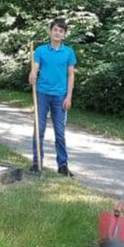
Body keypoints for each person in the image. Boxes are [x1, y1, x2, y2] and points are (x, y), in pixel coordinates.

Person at [28, 18, 77, 177]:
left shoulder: (68, 52)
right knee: (39, 130)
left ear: (64, 34)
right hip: (42, 94)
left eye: (61, 31)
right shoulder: (40, 51)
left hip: (60, 96)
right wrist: (32, 74)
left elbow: (70, 76)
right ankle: (37, 163)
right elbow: (35, 69)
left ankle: (62, 165)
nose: (57, 33)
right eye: (55, 30)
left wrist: (68, 96)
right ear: (50, 31)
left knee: (60, 133)